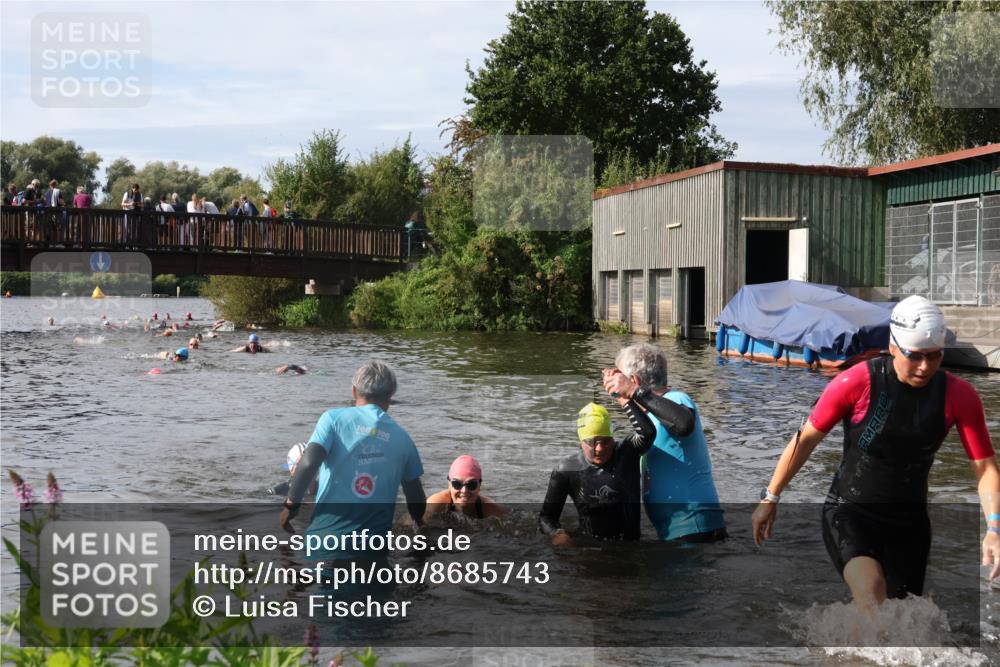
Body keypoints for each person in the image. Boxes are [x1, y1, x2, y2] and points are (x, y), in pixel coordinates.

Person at [752, 295, 999, 611]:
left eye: (935, 356)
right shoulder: (856, 382)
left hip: (910, 524)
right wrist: (770, 498)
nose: (925, 367)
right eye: (915, 355)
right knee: (871, 593)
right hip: (851, 513)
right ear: (894, 346)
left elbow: (986, 469)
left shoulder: (959, 396)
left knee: (905, 623)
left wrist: (994, 528)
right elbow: (806, 440)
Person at [278, 361, 427, 560]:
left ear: (354, 390)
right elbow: (415, 496)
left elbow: (308, 463)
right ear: (391, 396)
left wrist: (290, 506)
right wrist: (419, 525)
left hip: (326, 542)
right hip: (375, 548)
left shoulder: (332, 419)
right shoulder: (403, 438)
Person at [602, 343, 726, 543]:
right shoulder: (652, 415)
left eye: (621, 378)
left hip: (694, 528)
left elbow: (684, 424)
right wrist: (625, 400)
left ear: (633, 380)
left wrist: (634, 391)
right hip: (681, 531)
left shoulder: (676, 398)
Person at [539, 401, 656, 545]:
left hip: (630, 546)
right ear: (581, 441)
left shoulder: (626, 453)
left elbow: (648, 433)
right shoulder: (567, 469)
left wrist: (626, 401)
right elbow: (546, 517)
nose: (599, 448)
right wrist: (558, 533)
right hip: (589, 548)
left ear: (613, 438)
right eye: (591, 442)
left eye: (606, 441)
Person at [425, 455, 505, 521]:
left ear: (479, 486)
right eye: (457, 484)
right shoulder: (435, 504)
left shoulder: (490, 509)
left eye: (471, 485)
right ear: (449, 485)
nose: (464, 491)